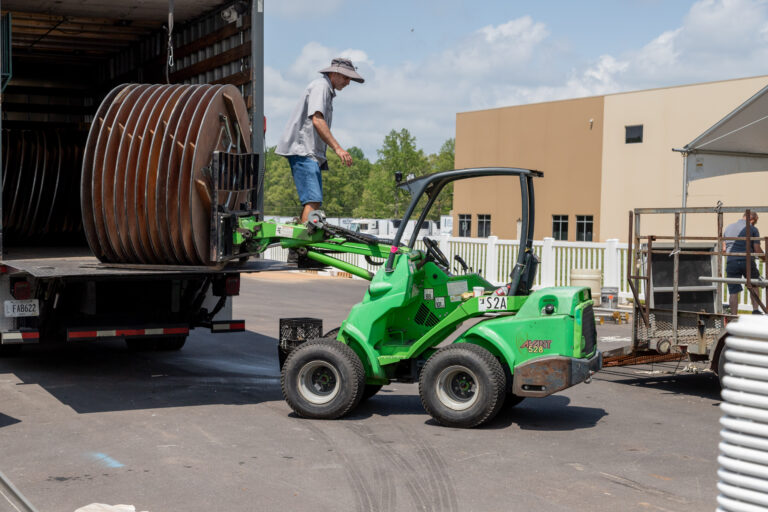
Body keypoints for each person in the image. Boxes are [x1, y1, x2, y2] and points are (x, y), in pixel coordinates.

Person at [276, 57, 364, 223]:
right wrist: (338, 149)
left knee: (314, 200)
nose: (348, 82)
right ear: (333, 73)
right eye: (346, 77)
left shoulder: (326, 90)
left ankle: (304, 237)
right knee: (313, 199)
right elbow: (317, 120)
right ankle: (302, 245)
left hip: (309, 152)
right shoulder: (321, 86)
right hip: (303, 150)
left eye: (350, 79)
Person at [724, 211, 765, 315]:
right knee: (754, 284)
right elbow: (757, 248)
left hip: (731, 261)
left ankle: (733, 316)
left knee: (733, 291)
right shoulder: (753, 229)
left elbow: (724, 248)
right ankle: (755, 310)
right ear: (753, 219)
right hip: (746, 260)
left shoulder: (729, 227)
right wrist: (765, 258)